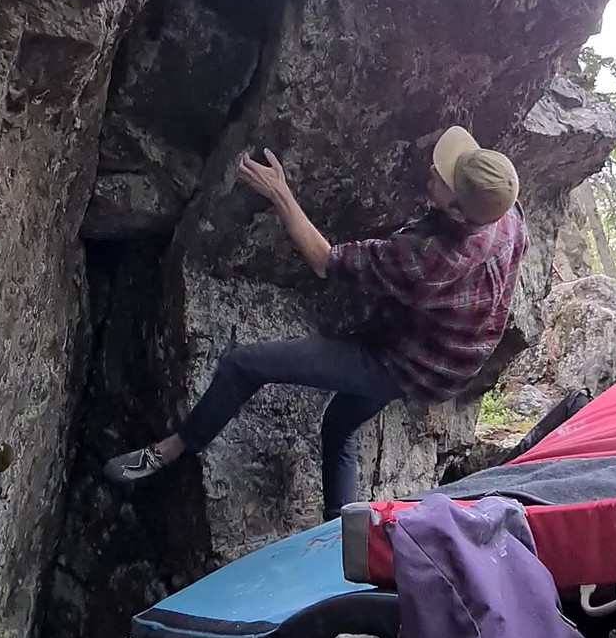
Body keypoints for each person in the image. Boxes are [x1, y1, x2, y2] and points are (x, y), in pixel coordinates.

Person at [104, 125, 528, 517]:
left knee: (243, 365)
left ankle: (169, 450)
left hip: (401, 363)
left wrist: (281, 194)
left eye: (445, 177)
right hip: (445, 361)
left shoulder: (430, 258)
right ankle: (341, 539)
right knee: (339, 425)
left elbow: (326, 261)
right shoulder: (506, 214)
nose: (434, 170)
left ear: (457, 212)